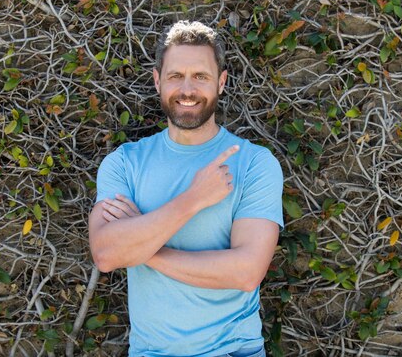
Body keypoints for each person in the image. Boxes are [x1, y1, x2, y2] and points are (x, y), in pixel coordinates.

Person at [88, 20, 284, 357]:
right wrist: (193, 199)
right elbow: (106, 255)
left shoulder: (254, 163)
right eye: (176, 75)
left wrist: (141, 248)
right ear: (157, 80)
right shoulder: (125, 163)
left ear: (221, 82)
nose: (188, 89)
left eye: (201, 76)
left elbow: (246, 272)